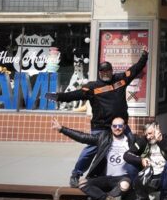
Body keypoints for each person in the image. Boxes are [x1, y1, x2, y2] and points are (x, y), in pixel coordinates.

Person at [47, 48, 149, 187]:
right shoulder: (92, 87)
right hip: (100, 127)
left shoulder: (121, 79)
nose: (106, 73)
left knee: (132, 147)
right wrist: (59, 97)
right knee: (90, 150)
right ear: (99, 73)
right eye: (103, 71)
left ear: (112, 71)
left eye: (108, 71)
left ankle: (137, 175)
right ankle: (76, 174)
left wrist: (144, 56)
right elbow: (74, 94)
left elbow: (136, 69)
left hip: (121, 126)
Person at [52, 116, 135, 200]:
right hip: (105, 177)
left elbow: (144, 145)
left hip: (121, 178)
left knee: (124, 185)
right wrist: (62, 129)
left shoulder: (131, 141)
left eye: (120, 126)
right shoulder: (103, 138)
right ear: (111, 127)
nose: (117, 128)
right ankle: (108, 199)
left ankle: (101, 197)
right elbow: (83, 137)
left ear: (125, 127)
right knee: (82, 184)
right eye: (115, 126)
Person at [124, 122, 167, 200]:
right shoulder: (143, 140)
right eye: (146, 134)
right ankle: (142, 197)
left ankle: (164, 197)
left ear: (158, 130)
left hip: (164, 176)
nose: (148, 137)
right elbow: (126, 155)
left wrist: (160, 141)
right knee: (130, 166)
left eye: (150, 133)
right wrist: (141, 160)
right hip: (148, 176)